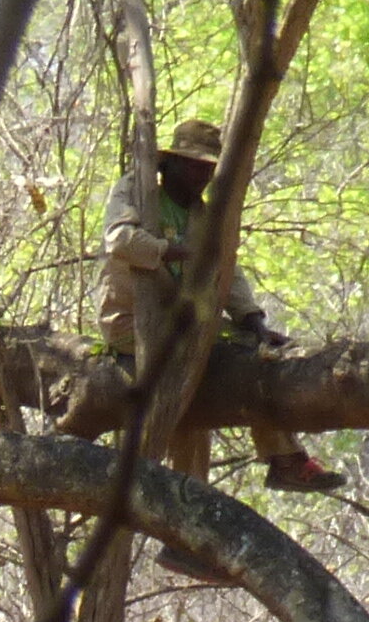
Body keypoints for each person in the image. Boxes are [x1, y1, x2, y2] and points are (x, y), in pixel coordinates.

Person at [98, 115, 341, 492]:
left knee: (256, 356)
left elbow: (227, 272)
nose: (201, 176)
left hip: (183, 324)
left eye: (207, 169)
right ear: (172, 163)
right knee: (191, 389)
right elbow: (119, 240)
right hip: (132, 324)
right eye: (193, 165)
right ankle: (192, 502)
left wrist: (252, 319)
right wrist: (168, 251)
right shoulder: (138, 191)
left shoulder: (204, 216)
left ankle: (284, 460)